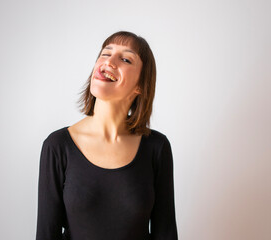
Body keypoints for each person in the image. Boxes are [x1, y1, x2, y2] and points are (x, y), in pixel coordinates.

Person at [36, 31, 178, 240]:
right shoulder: (58, 146)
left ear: (140, 85)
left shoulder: (156, 147)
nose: (109, 61)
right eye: (105, 54)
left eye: (125, 59)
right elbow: (47, 235)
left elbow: (165, 232)